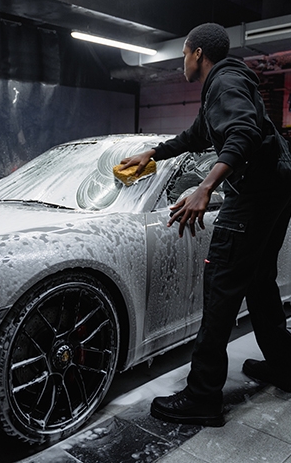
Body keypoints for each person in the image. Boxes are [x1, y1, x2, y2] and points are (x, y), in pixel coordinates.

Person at [120, 23, 291, 427]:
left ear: (197, 53)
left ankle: (202, 397)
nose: (182, 60)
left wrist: (205, 187)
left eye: (183, 53)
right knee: (258, 281)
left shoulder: (225, 81)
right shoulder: (228, 83)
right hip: (276, 190)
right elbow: (199, 134)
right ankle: (286, 367)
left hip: (253, 196)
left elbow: (243, 132)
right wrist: (154, 152)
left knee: (221, 288)